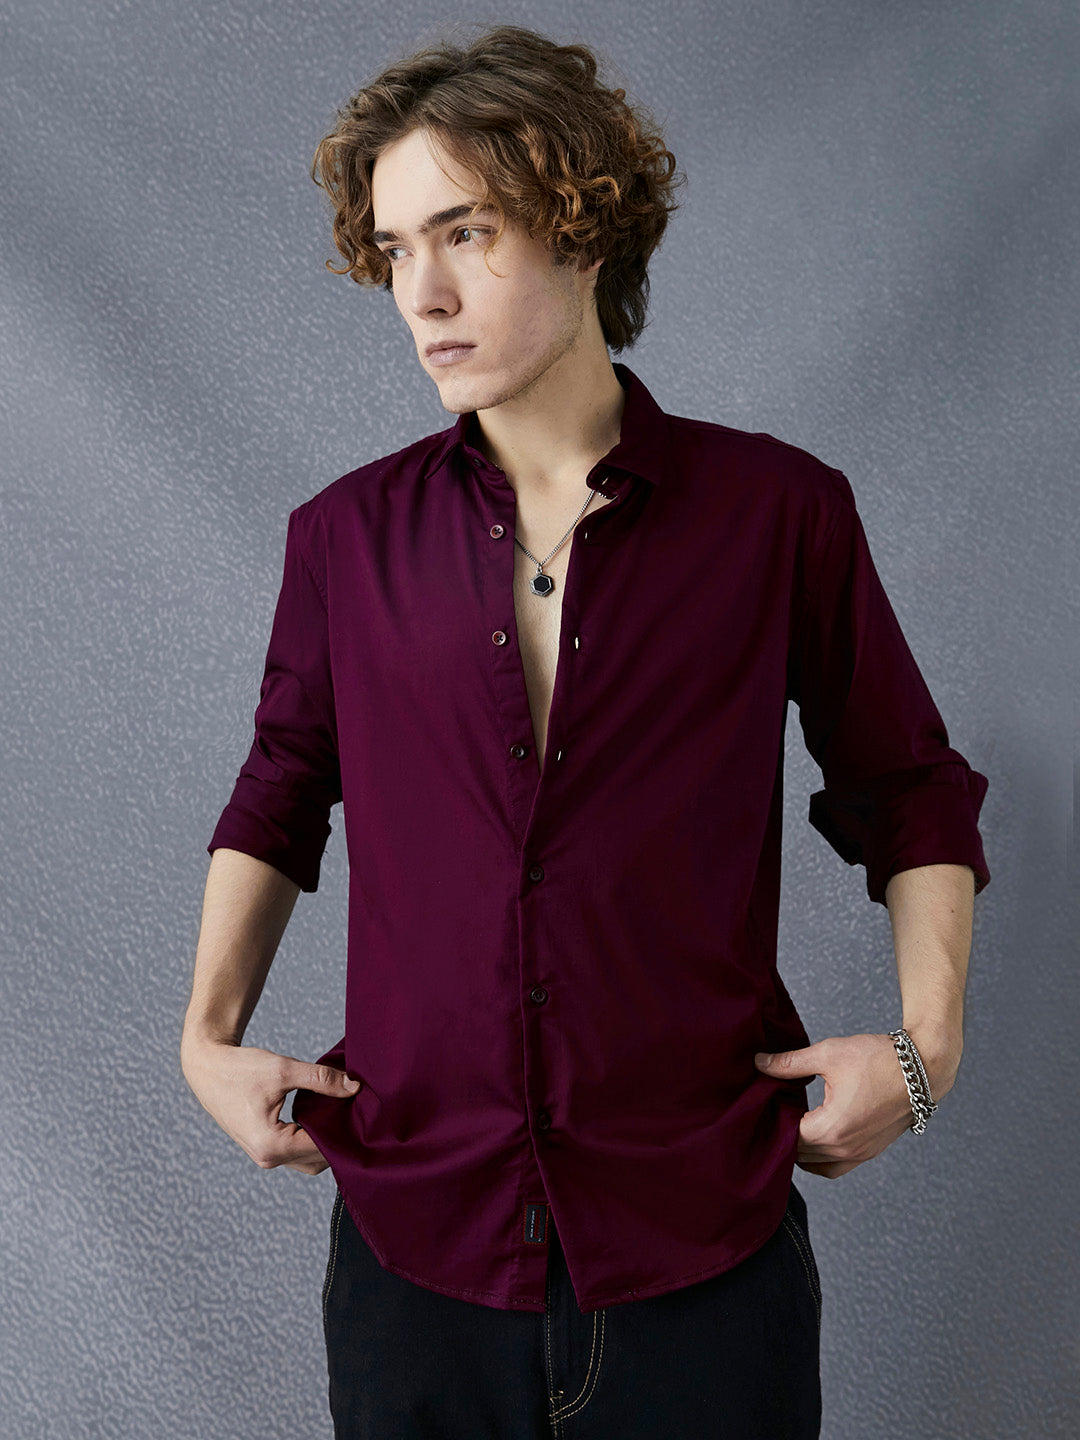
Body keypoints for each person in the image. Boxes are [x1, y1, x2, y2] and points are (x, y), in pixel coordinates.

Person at [180, 22, 990, 1439]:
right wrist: (206, 1039)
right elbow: (283, 786)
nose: (422, 293)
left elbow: (910, 786)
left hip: (702, 1255)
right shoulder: (342, 540)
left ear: (582, 222)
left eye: (466, 233)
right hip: (416, 1261)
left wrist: (929, 1050)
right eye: (395, 250)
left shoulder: (779, 514)